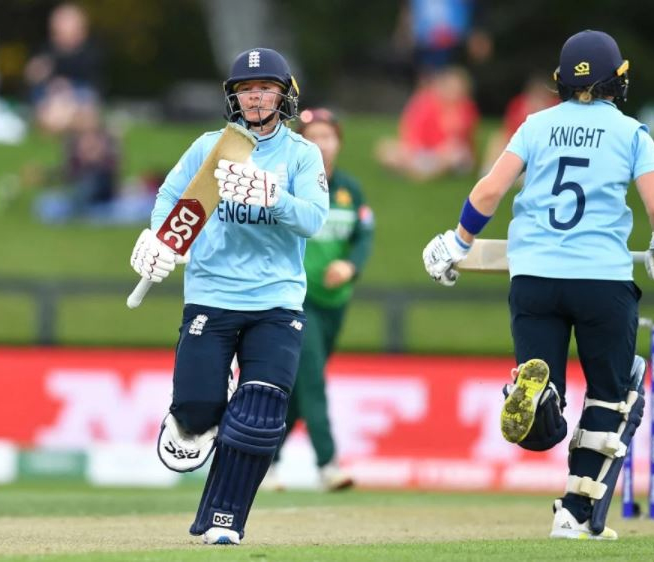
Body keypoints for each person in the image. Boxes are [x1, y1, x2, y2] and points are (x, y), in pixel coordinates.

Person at [422, 30, 654, 540]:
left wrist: (458, 242)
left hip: (534, 278)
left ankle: (537, 396)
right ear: (617, 79)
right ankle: (575, 514)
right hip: (600, 280)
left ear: (562, 80)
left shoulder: (535, 125)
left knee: (547, 402)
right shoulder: (631, 133)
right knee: (612, 396)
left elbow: (489, 191)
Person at [128, 48, 329, 545]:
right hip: (211, 294)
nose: (255, 98)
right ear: (233, 98)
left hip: (276, 301)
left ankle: (224, 520)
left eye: (265, 89)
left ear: (284, 95)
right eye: (246, 89)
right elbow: (170, 200)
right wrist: (160, 240)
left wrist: (272, 196)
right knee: (197, 412)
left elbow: (313, 219)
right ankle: (194, 417)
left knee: (260, 414)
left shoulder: (301, 155)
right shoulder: (209, 147)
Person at [262, 108, 375, 492]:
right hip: (295, 299)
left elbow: (363, 236)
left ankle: (264, 462)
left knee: (297, 391)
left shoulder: (350, 190)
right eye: (313, 137)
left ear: (339, 142)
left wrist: (350, 266)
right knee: (312, 381)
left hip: (334, 303)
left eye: (328, 137)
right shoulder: (289, 185)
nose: (322, 145)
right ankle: (328, 465)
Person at [375, 65, 479, 181]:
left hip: (446, 154)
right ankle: (419, 169)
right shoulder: (425, 102)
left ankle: (421, 173)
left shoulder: (466, 108)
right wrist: (414, 149)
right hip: (422, 151)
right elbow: (411, 131)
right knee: (386, 148)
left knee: (455, 154)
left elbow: (458, 139)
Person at [24, 3, 103, 134]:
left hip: (79, 97)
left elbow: (92, 86)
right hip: (52, 97)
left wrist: (68, 89)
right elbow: (33, 76)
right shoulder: (46, 50)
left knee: (84, 113)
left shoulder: (90, 53)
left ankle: (69, 123)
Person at [481, 74, 559, 175]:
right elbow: (509, 129)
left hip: (544, 146)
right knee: (498, 138)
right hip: (521, 143)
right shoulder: (518, 104)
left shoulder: (555, 107)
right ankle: (491, 168)